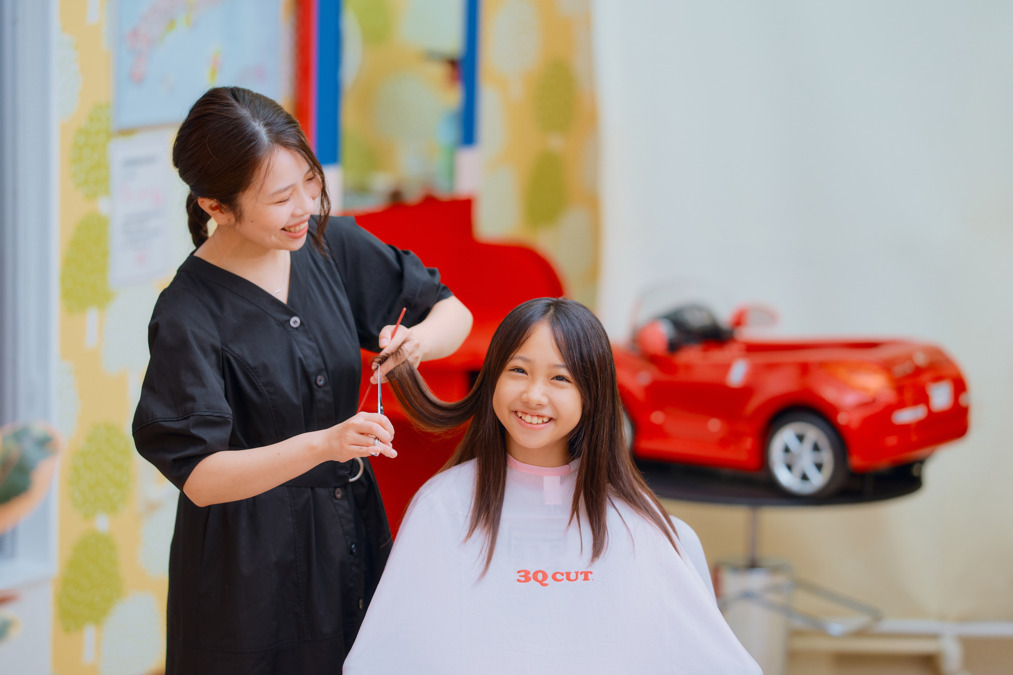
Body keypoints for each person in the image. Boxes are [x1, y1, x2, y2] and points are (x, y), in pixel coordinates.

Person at [131, 86, 473, 674]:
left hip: (349, 537)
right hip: (245, 571)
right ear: (216, 206)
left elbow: (451, 312)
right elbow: (203, 477)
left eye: (309, 185)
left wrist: (417, 343)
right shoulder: (188, 312)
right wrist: (325, 444)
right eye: (281, 198)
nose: (306, 208)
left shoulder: (329, 245)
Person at [343, 298, 760, 674]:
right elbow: (385, 659)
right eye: (518, 371)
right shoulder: (443, 508)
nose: (534, 395)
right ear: (492, 380)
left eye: (560, 379)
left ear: (591, 396)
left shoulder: (648, 531)